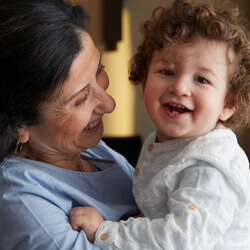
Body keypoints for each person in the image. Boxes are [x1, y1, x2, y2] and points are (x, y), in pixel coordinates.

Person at [69, 0, 250, 249]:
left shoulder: (209, 166)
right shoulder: (164, 142)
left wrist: (104, 231)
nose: (179, 87)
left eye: (201, 79)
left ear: (229, 103)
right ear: (143, 79)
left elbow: (181, 240)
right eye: (167, 71)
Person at [0, 0, 140, 249]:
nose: (109, 104)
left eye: (99, 70)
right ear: (19, 126)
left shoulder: (88, 150)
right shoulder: (22, 202)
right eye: (81, 99)